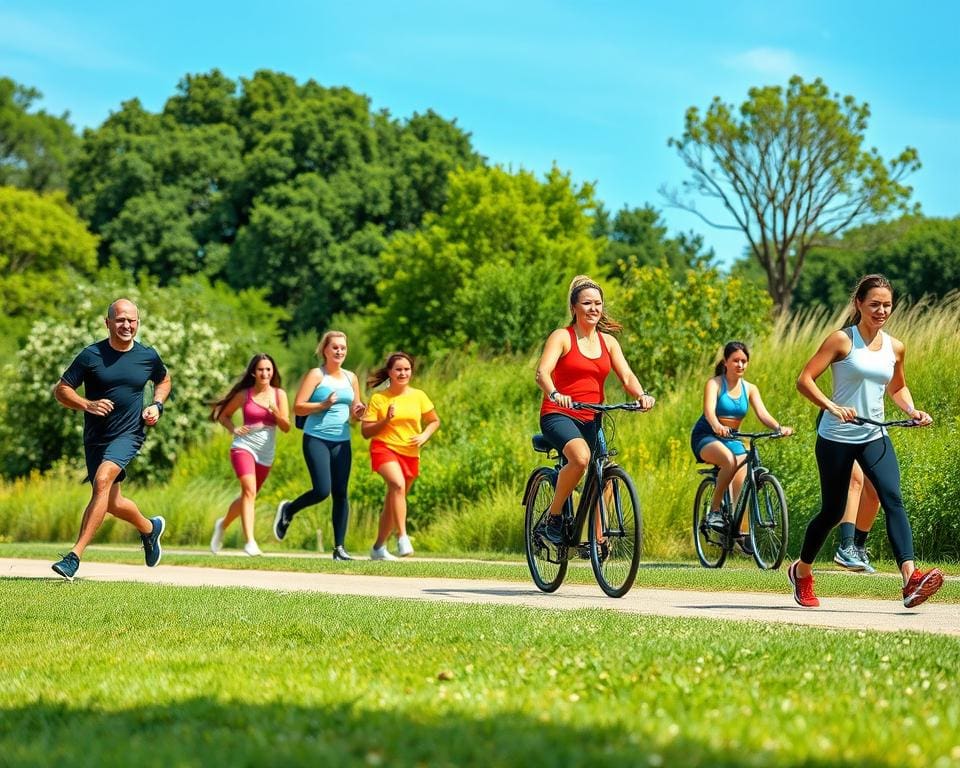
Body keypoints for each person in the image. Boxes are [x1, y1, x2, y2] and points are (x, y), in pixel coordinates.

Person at [792, 273, 943, 608]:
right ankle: (802, 572)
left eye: (887, 305)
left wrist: (912, 410)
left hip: (874, 433)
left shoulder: (895, 347)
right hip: (836, 436)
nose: (881, 310)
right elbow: (804, 380)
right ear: (858, 304)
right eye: (874, 304)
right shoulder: (841, 340)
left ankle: (910, 580)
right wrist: (831, 406)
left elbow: (897, 387)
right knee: (831, 511)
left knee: (893, 498)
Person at [51, 298, 171, 580]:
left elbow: (164, 380)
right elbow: (62, 390)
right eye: (120, 320)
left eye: (131, 320)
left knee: (102, 481)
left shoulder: (147, 356)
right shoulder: (90, 356)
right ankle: (149, 529)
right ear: (108, 323)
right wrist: (86, 404)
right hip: (95, 438)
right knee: (112, 502)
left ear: (138, 323)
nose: (126, 325)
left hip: (129, 433)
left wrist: (157, 405)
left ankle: (74, 556)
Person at [535, 275, 655, 544]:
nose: (593, 309)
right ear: (574, 307)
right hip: (559, 414)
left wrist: (642, 395)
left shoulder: (608, 343)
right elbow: (542, 373)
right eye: (587, 303)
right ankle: (553, 517)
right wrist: (555, 393)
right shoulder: (562, 337)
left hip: (593, 417)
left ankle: (597, 542)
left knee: (607, 475)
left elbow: (626, 377)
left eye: (597, 303)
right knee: (580, 458)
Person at [690, 341, 793, 554]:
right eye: (736, 360)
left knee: (743, 477)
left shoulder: (750, 389)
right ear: (726, 362)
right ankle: (715, 511)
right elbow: (709, 411)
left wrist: (778, 427)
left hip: (732, 438)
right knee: (728, 461)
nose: (740, 365)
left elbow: (762, 414)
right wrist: (717, 425)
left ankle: (741, 531)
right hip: (707, 435)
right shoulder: (715, 384)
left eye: (744, 361)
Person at [273, 331, 366, 560]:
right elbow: (299, 407)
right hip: (316, 438)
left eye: (343, 348)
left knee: (341, 493)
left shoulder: (351, 378)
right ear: (325, 350)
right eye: (335, 347)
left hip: (342, 440)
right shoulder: (316, 375)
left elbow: (355, 412)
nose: (339, 351)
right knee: (322, 490)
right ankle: (289, 510)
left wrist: (359, 412)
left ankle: (339, 549)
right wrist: (323, 404)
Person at [209, 353, 290, 556]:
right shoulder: (244, 394)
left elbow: (286, 427)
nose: (265, 373)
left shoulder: (280, 395)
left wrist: (276, 413)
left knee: (249, 495)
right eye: (261, 369)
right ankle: (250, 542)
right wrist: (234, 429)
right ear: (254, 372)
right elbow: (223, 415)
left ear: (273, 372)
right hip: (243, 446)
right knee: (248, 490)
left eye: (268, 369)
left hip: (266, 451)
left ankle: (223, 524)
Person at [361, 352, 439, 560]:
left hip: (410, 452)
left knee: (394, 499)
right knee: (396, 485)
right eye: (398, 369)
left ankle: (378, 548)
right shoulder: (379, 398)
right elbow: (366, 431)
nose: (403, 373)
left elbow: (434, 421)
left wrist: (424, 435)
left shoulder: (419, 396)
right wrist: (385, 420)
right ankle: (403, 536)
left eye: (406, 369)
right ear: (390, 372)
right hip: (384, 448)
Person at [833, 462, 880, 573]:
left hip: (866, 445)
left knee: (875, 489)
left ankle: (857, 548)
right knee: (855, 479)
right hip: (840, 445)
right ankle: (846, 547)